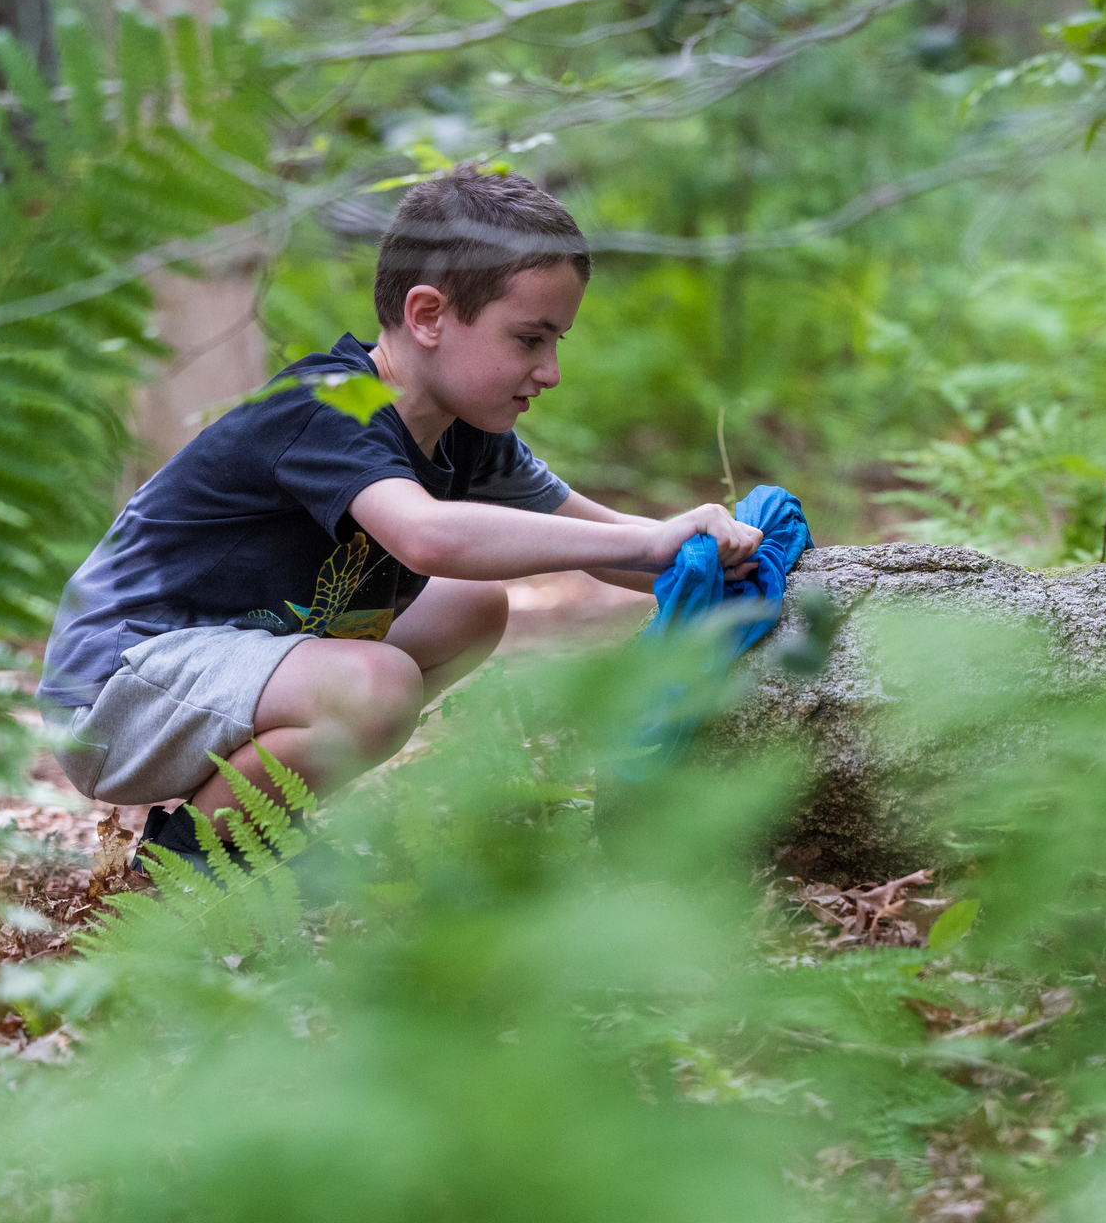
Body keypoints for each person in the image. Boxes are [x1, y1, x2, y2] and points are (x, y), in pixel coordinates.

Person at [37, 170, 762, 868]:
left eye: (554, 344)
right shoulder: (330, 406)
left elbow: (600, 544)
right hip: (115, 690)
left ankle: (251, 816)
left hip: (214, 667)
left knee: (472, 606)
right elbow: (429, 535)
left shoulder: (464, 431)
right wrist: (651, 536)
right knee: (378, 685)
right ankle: (184, 864)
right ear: (428, 316)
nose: (550, 372)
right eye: (529, 339)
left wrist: (716, 562)